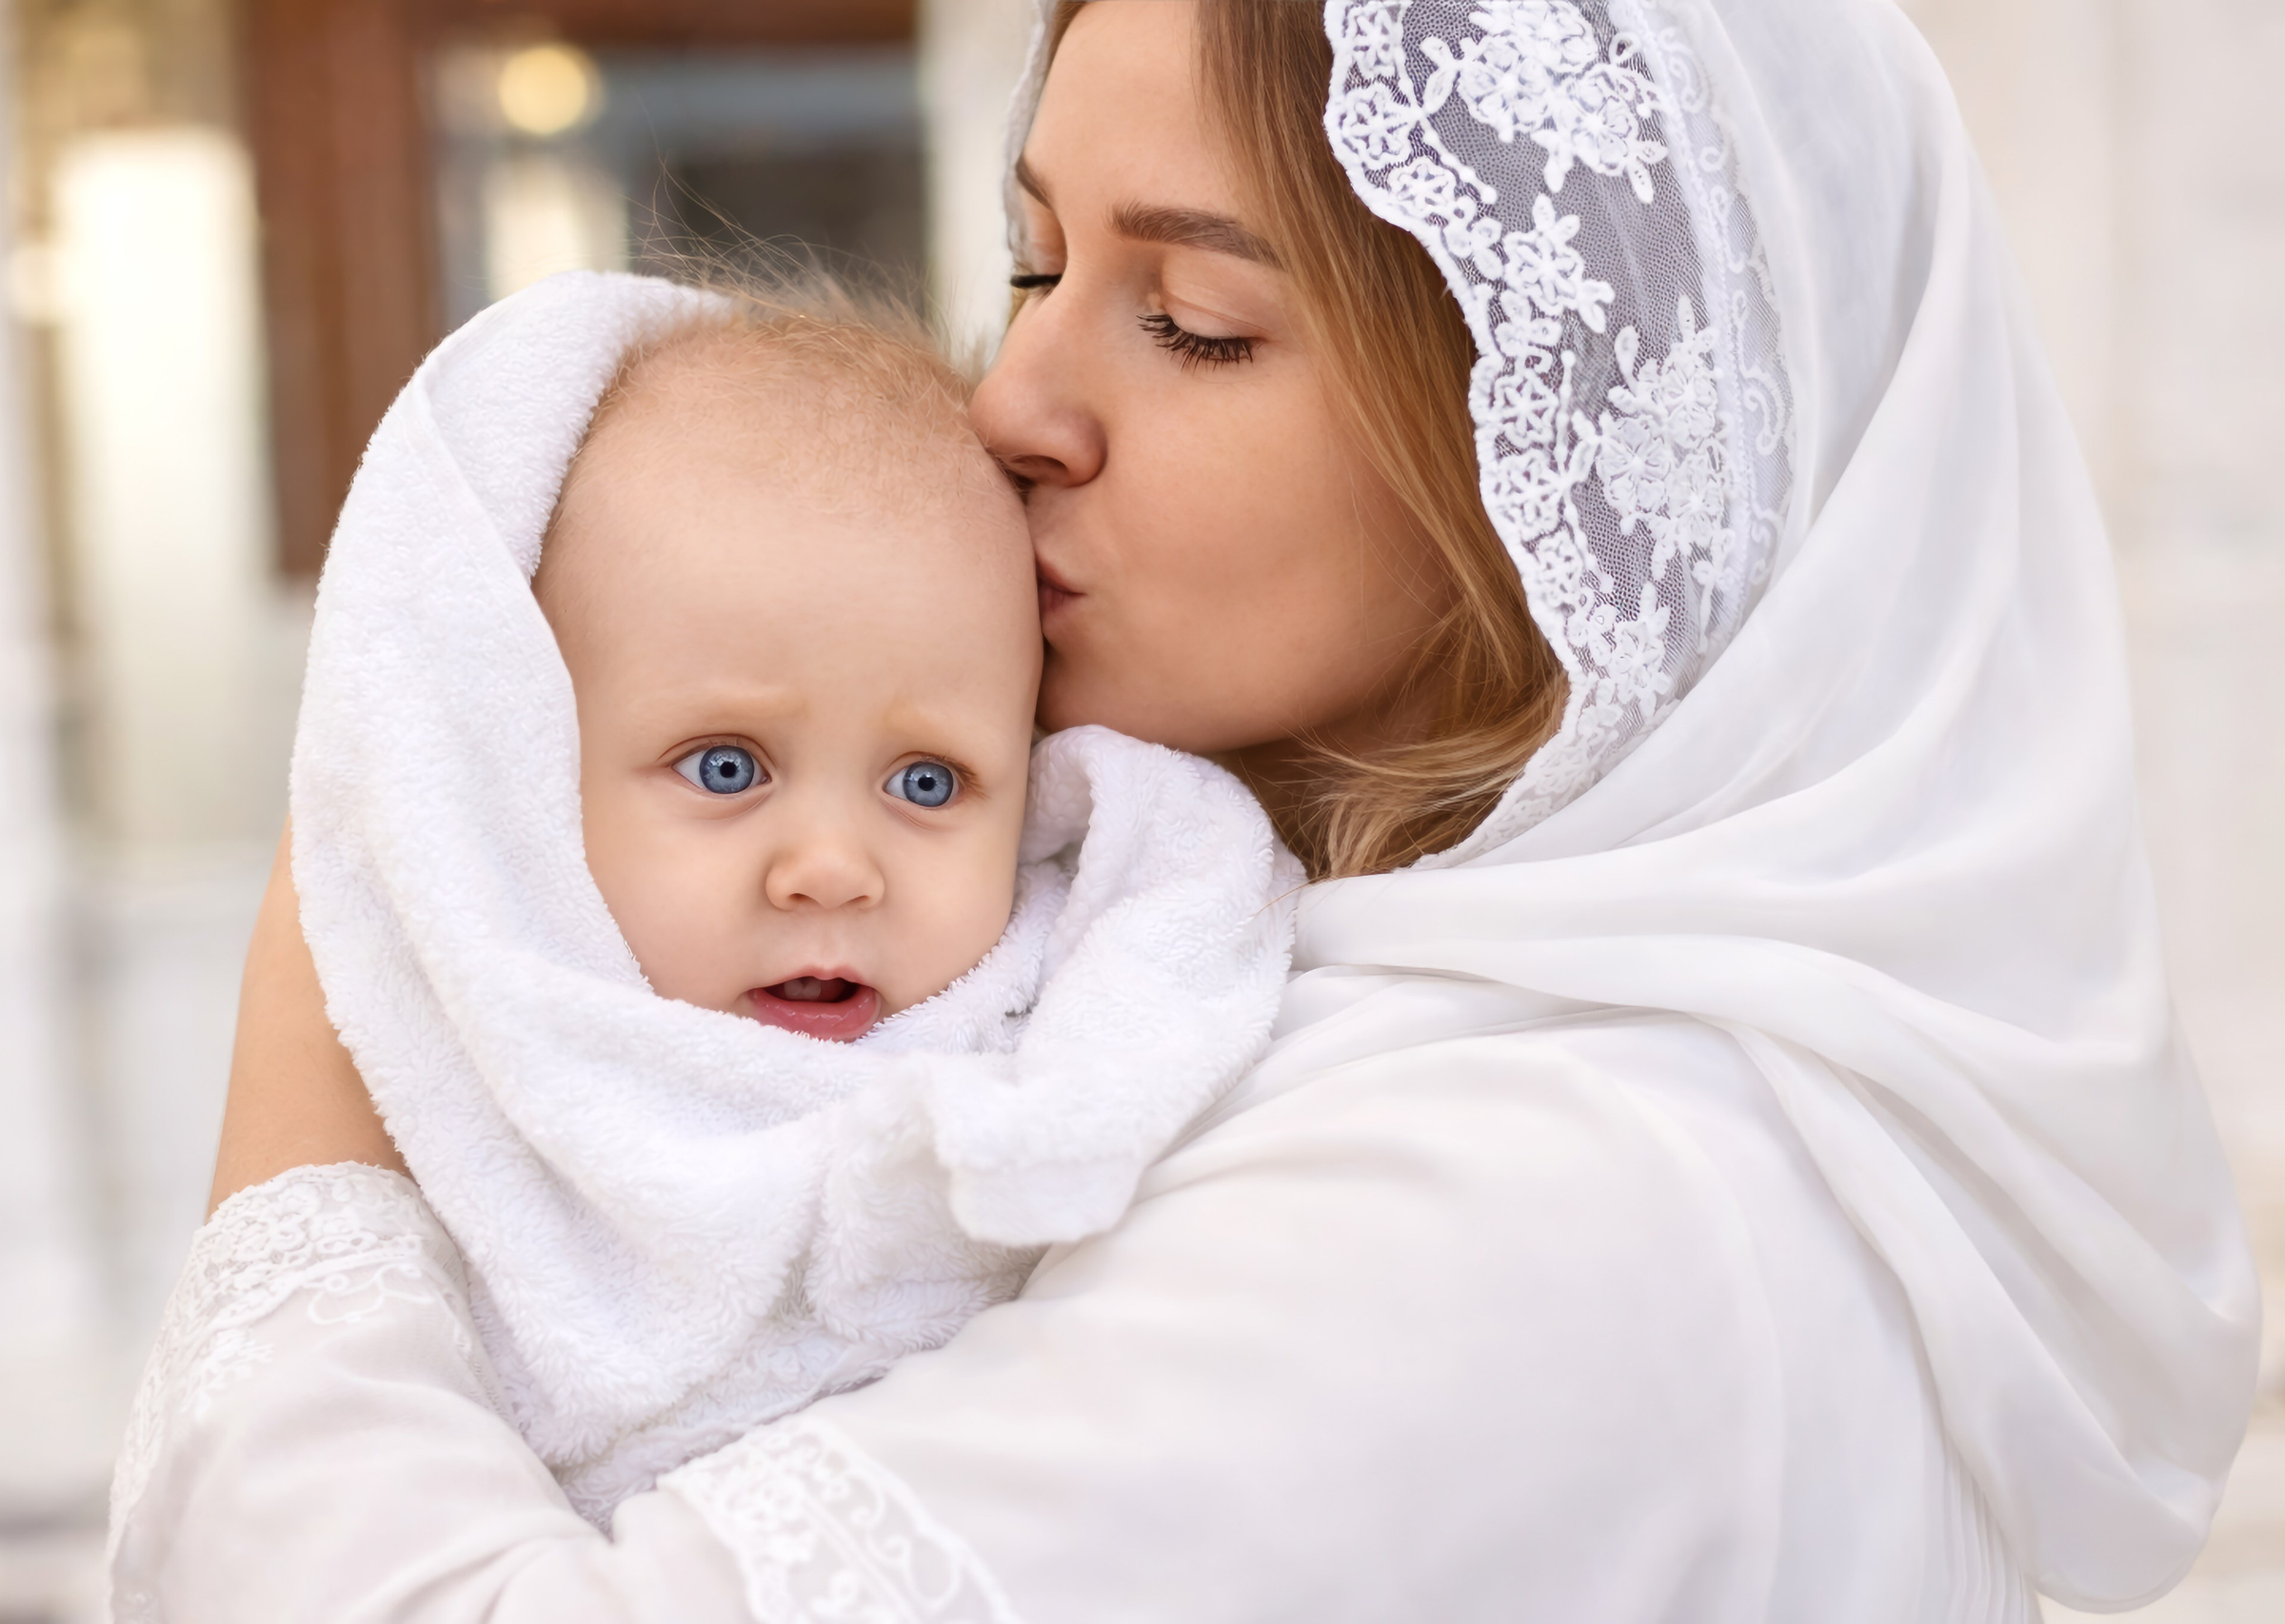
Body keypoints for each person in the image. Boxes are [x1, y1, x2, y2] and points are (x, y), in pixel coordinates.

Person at [109, 2, 2261, 1620]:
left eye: (1193, 321)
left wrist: (320, 1066)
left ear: (1555, 469)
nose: (1017, 402)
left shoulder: (1546, 1195)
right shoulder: (1252, 999)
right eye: (1037, 264)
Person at [234, 276, 1298, 1531]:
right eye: (728, 767)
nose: (833, 867)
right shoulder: (484, 1069)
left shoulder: (1084, 1010)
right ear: (534, 780)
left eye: (927, 779)